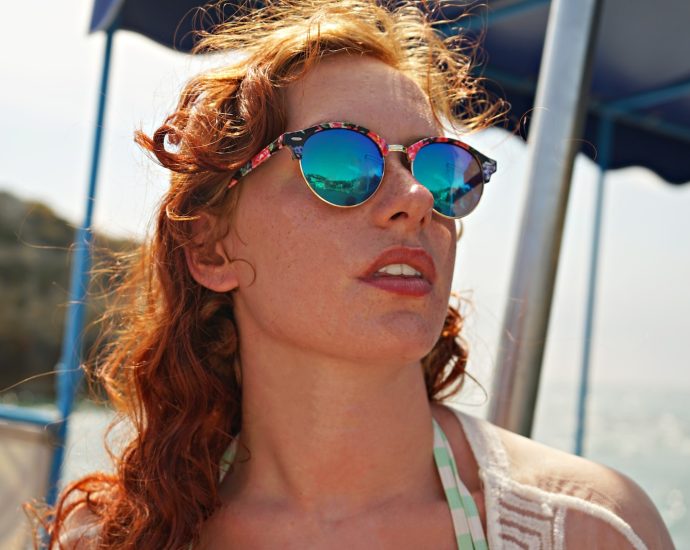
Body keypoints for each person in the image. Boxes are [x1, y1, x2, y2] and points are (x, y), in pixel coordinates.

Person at [44, 1, 674, 548]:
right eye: (342, 160)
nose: (417, 199)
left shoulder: (587, 530)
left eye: (438, 169)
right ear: (210, 250)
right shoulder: (117, 536)